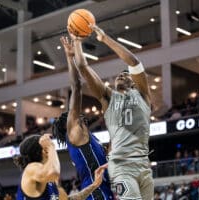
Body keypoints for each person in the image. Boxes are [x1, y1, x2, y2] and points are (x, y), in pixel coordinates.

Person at [71, 24, 154, 199]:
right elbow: (83, 67)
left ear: (134, 83)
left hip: (143, 166)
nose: (121, 75)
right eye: (119, 74)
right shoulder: (107, 98)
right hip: (122, 167)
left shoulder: (143, 95)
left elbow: (134, 62)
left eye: (126, 74)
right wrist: (77, 42)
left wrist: (105, 38)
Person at [52, 36, 114, 199]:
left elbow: (109, 155)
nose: (76, 113)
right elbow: (76, 86)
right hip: (95, 193)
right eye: (72, 114)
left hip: (104, 190)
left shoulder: (89, 137)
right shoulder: (74, 133)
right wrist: (70, 57)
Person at [13, 134, 107, 200]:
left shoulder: (49, 181)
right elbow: (53, 172)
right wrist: (51, 146)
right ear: (44, 151)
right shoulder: (31, 168)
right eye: (46, 147)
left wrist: (94, 185)